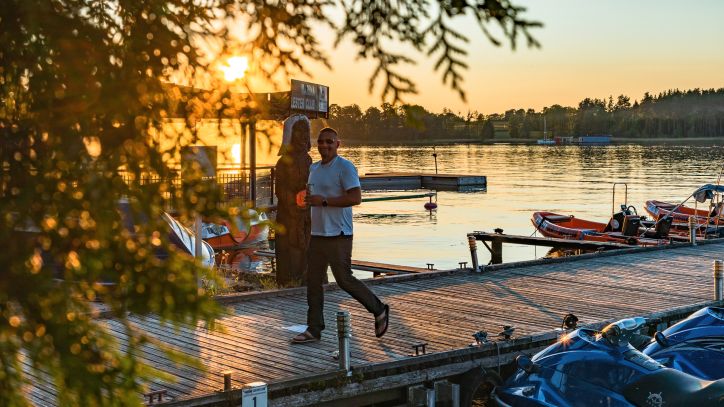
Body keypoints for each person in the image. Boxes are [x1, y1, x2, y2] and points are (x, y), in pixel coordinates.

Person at [291, 127, 389, 343]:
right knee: (313, 282)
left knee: (344, 279)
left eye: (329, 142)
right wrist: (305, 202)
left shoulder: (345, 167)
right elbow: (313, 198)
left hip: (339, 234)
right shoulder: (314, 168)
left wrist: (323, 201)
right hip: (317, 234)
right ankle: (314, 329)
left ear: (337, 144)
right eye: (321, 142)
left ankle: (379, 309)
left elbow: (356, 198)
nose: (324, 145)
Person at [274, 115, 312, 286]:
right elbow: (280, 190)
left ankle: (303, 280)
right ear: (290, 134)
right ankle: (287, 283)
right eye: (299, 132)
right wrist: (293, 202)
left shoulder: (308, 160)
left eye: (306, 132)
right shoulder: (283, 162)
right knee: (288, 250)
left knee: (304, 250)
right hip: (288, 215)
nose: (303, 136)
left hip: (305, 216)